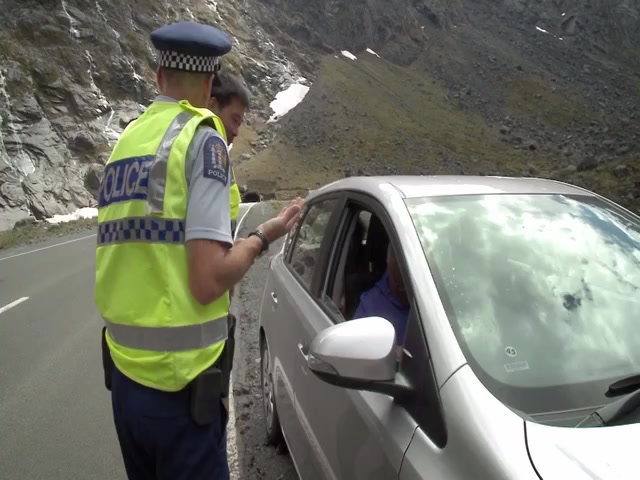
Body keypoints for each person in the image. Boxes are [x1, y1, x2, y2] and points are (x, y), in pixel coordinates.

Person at [95, 20, 303, 480]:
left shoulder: (126, 142)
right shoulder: (203, 139)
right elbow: (208, 281)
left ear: (158, 78)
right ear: (209, 84)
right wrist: (263, 236)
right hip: (180, 387)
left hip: (125, 382)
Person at [207, 70, 251, 237]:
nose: (236, 132)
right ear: (212, 106)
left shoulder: (218, 153)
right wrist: (261, 238)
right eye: (234, 120)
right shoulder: (210, 151)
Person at [352, 244, 410, 345]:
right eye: (398, 283)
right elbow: (356, 344)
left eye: (407, 283)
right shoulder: (369, 305)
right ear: (388, 269)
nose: (404, 290)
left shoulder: (432, 299)